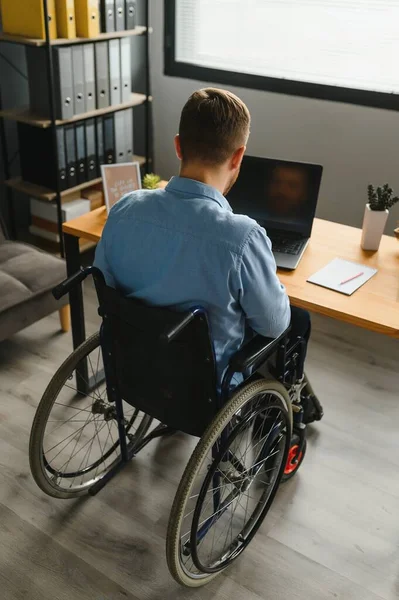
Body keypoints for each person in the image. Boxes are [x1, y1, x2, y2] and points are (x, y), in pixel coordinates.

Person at [94, 88, 322, 423]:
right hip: (204, 388)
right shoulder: (242, 237)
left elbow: (105, 285)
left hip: (134, 365)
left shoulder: (125, 208)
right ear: (237, 156)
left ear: (178, 145)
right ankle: (280, 416)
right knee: (295, 319)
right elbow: (274, 326)